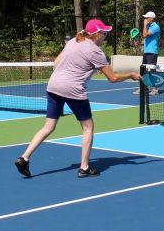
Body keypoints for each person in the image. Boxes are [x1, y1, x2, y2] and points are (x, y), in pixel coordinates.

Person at [14, 19, 141, 178]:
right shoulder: (96, 52)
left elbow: (56, 63)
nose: (105, 36)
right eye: (104, 33)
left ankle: (24, 158)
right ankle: (84, 167)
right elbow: (113, 78)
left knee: (48, 126)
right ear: (96, 34)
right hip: (73, 89)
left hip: (53, 86)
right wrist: (131, 74)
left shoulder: (74, 41)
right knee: (88, 127)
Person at [138, 11, 161, 95]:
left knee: (152, 70)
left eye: (147, 18)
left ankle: (155, 89)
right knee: (143, 70)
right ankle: (143, 88)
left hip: (152, 52)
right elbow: (145, 39)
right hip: (146, 51)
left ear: (152, 18)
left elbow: (145, 35)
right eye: (145, 18)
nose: (146, 19)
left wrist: (144, 25)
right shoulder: (148, 26)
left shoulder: (155, 27)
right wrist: (140, 43)